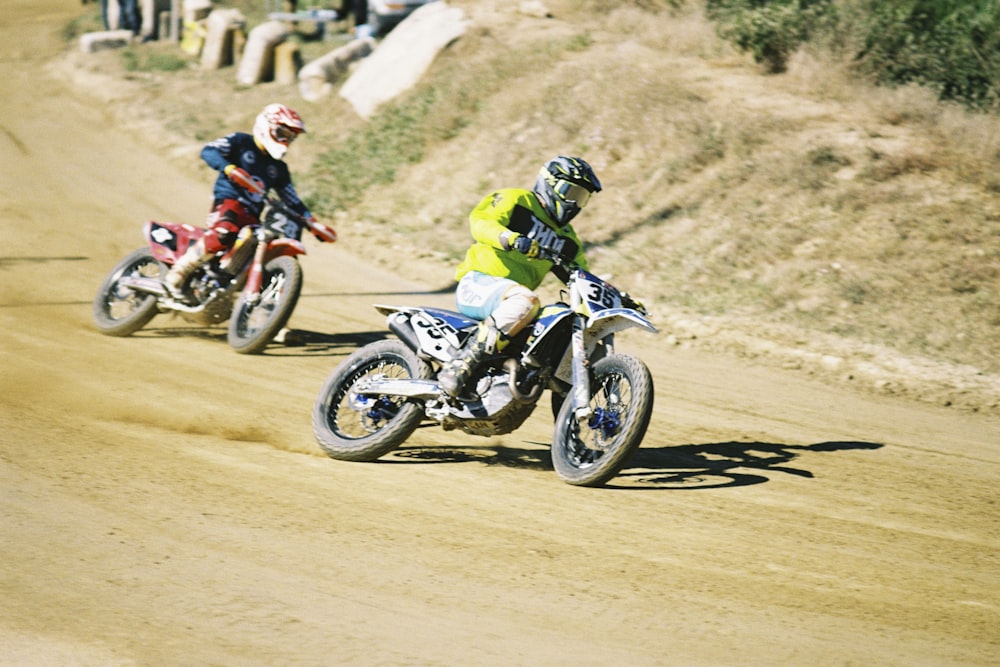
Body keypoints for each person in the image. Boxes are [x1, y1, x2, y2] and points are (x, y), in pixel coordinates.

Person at [438, 156, 602, 397]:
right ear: (549, 183)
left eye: (581, 198)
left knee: (557, 323)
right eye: (571, 192)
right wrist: (510, 238)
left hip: (513, 303)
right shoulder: (516, 199)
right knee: (527, 301)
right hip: (478, 283)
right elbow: (480, 222)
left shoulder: (568, 239)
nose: (574, 203)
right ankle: (460, 365)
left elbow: (582, 275)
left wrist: (615, 297)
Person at [163, 103, 335, 299]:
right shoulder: (240, 141)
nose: (286, 140)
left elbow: (292, 199)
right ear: (266, 125)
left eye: (291, 137)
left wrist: (312, 223)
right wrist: (229, 168)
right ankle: (181, 270)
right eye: (282, 133)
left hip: (253, 215)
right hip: (229, 201)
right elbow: (209, 150)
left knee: (256, 244)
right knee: (225, 232)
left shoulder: (278, 168)